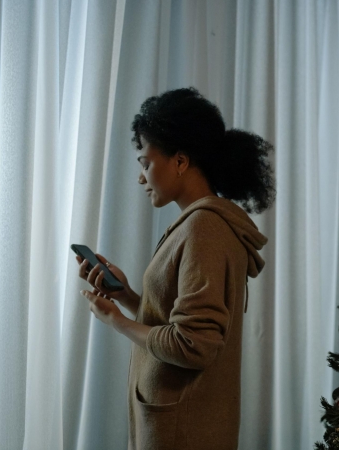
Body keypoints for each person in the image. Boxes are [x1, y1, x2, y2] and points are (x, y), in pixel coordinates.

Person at [74, 88, 274, 450]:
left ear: (180, 162)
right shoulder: (198, 224)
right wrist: (128, 297)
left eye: (145, 163)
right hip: (182, 423)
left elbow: (193, 344)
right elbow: (179, 322)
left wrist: (114, 321)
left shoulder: (204, 229)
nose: (141, 177)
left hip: (183, 432)